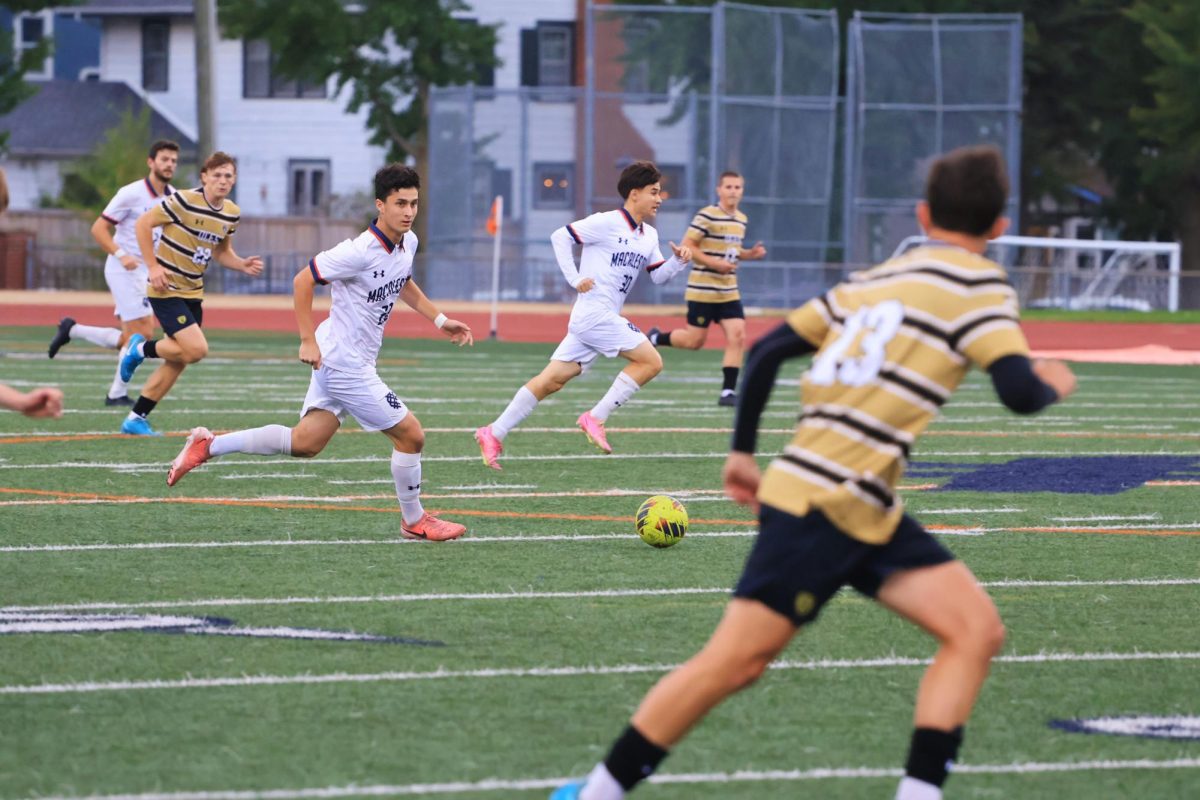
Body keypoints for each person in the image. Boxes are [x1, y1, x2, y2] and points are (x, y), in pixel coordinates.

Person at [550, 145, 1078, 800]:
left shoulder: (883, 275)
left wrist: (742, 452)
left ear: (922, 214)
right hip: (828, 504)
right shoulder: (983, 286)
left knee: (975, 630)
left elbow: (771, 348)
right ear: (998, 227)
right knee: (733, 663)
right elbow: (1020, 394)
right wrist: (1052, 380)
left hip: (860, 503)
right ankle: (598, 792)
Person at [165, 164, 474, 542]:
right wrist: (306, 338)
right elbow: (302, 279)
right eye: (400, 203)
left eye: (413, 203)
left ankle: (208, 445)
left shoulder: (407, 243)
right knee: (412, 436)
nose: (408, 211)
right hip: (343, 362)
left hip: (345, 357)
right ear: (380, 205)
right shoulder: (357, 251)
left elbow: (402, 280)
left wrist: (440, 320)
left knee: (305, 443)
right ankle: (414, 520)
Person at [474, 161, 692, 469]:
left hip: (595, 320)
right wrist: (575, 278)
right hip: (594, 315)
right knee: (651, 361)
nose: (659, 198)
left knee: (552, 380)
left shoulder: (649, 236)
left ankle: (493, 432)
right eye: (654, 192)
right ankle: (595, 417)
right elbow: (559, 236)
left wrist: (679, 261)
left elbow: (658, 276)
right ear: (634, 194)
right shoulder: (607, 222)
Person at [116, 151, 263, 435]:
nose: (222, 181)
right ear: (204, 177)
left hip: (193, 292)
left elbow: (222, 253)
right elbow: (143, 223)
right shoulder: (183, 200)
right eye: (217, 175)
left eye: (228, 176)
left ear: (234, 180)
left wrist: (241, 264)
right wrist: (153, 266)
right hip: (165, 289)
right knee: (196, 350)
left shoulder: (231, 212)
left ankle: (136, 418)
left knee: (180, 359)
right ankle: (138, 350)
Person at [47, 140, 179, 406]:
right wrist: (122, 255)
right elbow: (98, 228)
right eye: (164, 159)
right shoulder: (130, 193)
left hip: (147, 271)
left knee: (132, 337)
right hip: (123, 268)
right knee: (142, 331)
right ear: (151, 162)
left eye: (174, 161)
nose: (169, 165)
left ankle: (72, 330)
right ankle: (116, 394)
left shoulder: (173, 197)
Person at [647, 171, 766, 407]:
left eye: (738, 187)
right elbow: (687, 245)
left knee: (738, 336)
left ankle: (728, 392)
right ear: (719, 190)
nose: (733, 191)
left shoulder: (741, 219)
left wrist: (749, 255)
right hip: (702, 290)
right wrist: (714, 264)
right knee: (694, 342)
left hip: (729, 291)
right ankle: (656, 337)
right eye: (729, 187)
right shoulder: (707, 216)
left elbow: (731, 251)